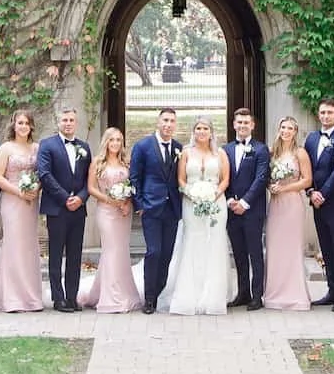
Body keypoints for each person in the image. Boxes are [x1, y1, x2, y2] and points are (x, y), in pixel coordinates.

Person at [159, 116, 234, 314]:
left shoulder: (220, 154)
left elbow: (225, 179)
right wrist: (192, 194)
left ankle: (213, 296)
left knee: (214, 244)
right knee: (192, 244)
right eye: (198, 128)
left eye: (205, 128)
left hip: (216, 204)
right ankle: (188, 295)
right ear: (194, 131)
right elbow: (181, 180)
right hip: (191, 204)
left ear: (211, 132)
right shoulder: (185, 153)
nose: (202, 132)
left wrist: (213, 195)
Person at [127, 107, 183, 313]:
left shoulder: (179, 148)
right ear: (158, 122)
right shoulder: (143, 146)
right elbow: (134, 177)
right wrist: (139, 204)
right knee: (154, 252)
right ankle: (149, 298)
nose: (168, 124)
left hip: (172, 209)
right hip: (151, 208)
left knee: (167, 254)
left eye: (172, 121)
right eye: (165, 120)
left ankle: (159, 291)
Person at [0, 109, 46, 313]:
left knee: (29, 246)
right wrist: (18, 192)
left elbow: (42, 174)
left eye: (26, 123)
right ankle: (12, 298)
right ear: (14, 125)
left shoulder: (37, 148)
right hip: (12, 202)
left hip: (31, 201)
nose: (23, 126)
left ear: (31, 126)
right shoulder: (5, 148)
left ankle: (31, 297)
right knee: (13, 245)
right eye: (19, 123)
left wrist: (35, 189)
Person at [36, 106, 92, 312]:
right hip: (57, 208)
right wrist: (64, 197)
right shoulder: (47, 145)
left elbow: (89, 178)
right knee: (56, 254)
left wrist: (81, 198)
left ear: (76, 123)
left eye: (71, 120)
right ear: (58, 122)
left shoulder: (84, 147)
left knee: (75, 255)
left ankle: (72, 297)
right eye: (64, 120)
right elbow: (44, 174)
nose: (68, 123)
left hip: (78, 209)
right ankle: (57, 298)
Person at [83, 126, 141, 312]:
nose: (115, 143)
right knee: (110, 250)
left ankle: (123, 293)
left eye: (118, 140)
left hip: (123, 211)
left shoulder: (126, 163)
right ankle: (110, 297)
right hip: (106, 211)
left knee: (121, 251)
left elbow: (132, 186)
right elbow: (91, 188)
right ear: (106, 142)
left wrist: (126, 202)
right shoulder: (97, 163)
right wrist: (110, 200)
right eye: (112, 140)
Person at [304, 99, 334, 309]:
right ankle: (331, 290)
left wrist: (322, 193)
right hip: (316, 202)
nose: (325, 116)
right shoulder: (312, 138)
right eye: (322, 112)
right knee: (326, 247)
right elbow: (306, 168)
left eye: (329, 112)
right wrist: (310, 191)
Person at [262, 115, 313, 311]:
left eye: (290, 128)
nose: (286, 131)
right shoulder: (272, 153)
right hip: (275, 205)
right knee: (275, 247)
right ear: (279, 129)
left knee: (291, 248)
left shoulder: (300, 153)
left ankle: (295, 295)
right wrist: (271, 186)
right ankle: (274, 294)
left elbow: (307, 180)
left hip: (292, 204)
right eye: (283, 127)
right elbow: (266, 177)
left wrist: (285, 188)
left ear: (295, 132)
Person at [222, 105, 270, 308]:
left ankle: (257, 295)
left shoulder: (261, 149)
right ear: (234, 125)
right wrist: (229, 200)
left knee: (255, 253)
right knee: (239, 253)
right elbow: (223, 177)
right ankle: (242, 293)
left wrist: (244, 202)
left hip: (252, 210)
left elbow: (261, 179)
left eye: (246, 123)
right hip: (232, 210)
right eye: (239, 122)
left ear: (252, 125)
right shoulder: (225, 150)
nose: (242, 126)